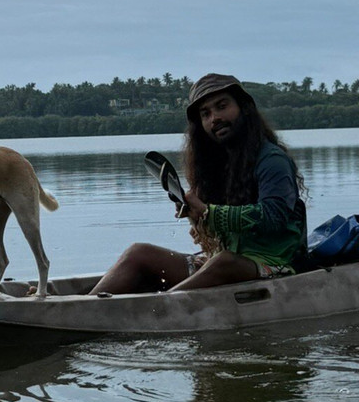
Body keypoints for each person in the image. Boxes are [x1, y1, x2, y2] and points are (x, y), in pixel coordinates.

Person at [90, 73, 306, 294]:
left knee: (224, 261)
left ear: (244, 108)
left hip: (274, 264)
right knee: (138, 253)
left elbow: (274, 216)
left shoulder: (272, 160)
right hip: (221, 262)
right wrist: (196, 218)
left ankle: (160, 306)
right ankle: (84, 306)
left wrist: (209, 214)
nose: (215, 118)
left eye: (222, 106)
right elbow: (213, 236)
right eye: (206, 114)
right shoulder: (215, 164)